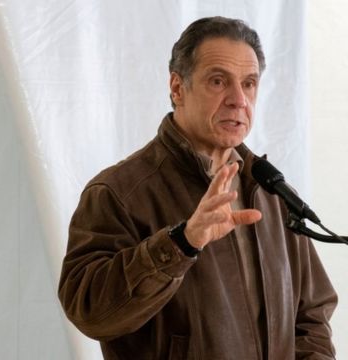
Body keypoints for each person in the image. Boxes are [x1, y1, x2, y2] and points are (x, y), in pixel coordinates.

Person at [58, 16, 337, 359]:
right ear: (177, 88)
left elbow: (312, 314)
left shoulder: (271, 191)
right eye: (218, 81)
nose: (238, 100)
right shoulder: (118, 193)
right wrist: (182, 242)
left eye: (249, 83)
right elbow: (90, 313)